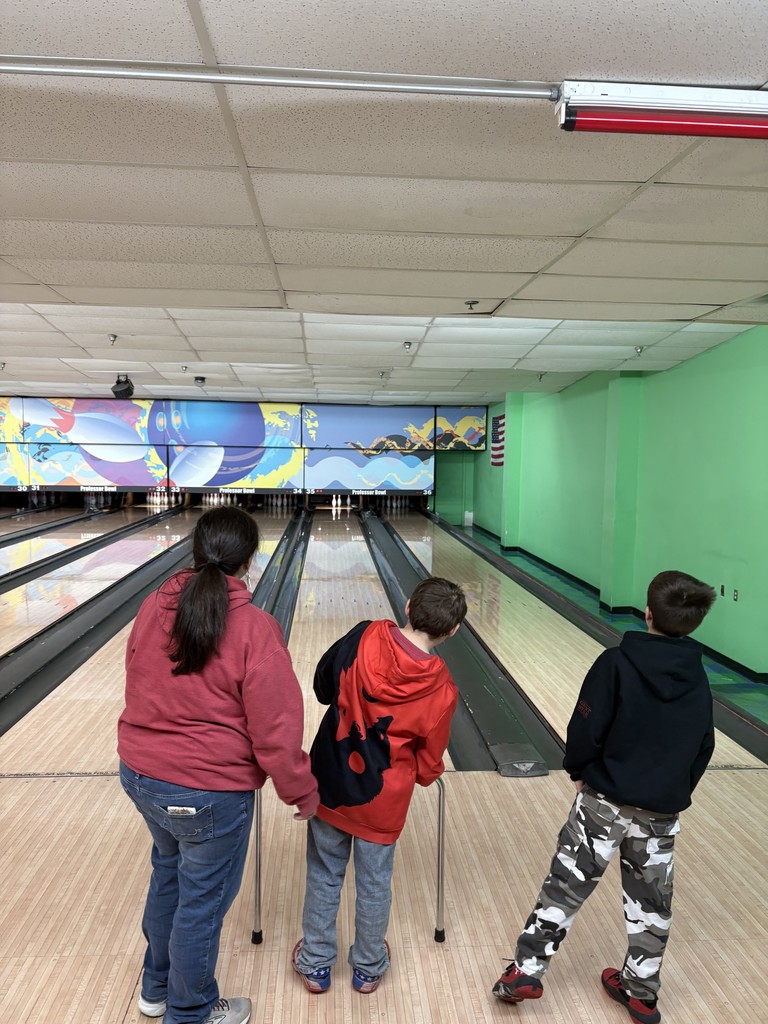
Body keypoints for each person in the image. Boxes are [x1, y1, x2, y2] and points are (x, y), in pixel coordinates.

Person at [118, 506, 319, 1024]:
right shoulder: (255, 629)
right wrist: (301, 790)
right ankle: (189, 1012)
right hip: (207, 794)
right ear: (250, 562)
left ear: (194, 548)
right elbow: (276, 734)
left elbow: (136, 674)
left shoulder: (152, 605)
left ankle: (156, 988)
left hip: (141, 775)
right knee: (200, 904)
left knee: (168, 875)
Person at [492, 570, 717, 1024]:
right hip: (660, 812)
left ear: (647, 613)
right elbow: (703, 745)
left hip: (603, 803)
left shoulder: (615, 663)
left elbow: (586, 726)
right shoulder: (697, 677)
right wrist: (673, 790)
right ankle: (640, 993)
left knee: (566, 885)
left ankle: (526, 972)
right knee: (651, 904)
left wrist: (580, 771)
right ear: (694, 624)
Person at [292, 577, 467, 994]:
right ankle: (368, 966)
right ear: (452, 631)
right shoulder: (442, 689)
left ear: (407, 606)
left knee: (323, 872)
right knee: (374, 883)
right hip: (382, 803)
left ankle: (315, 964)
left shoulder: (363, 635)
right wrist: (422, 774)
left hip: (331, 785)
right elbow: (428, 764)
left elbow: (322, 686)